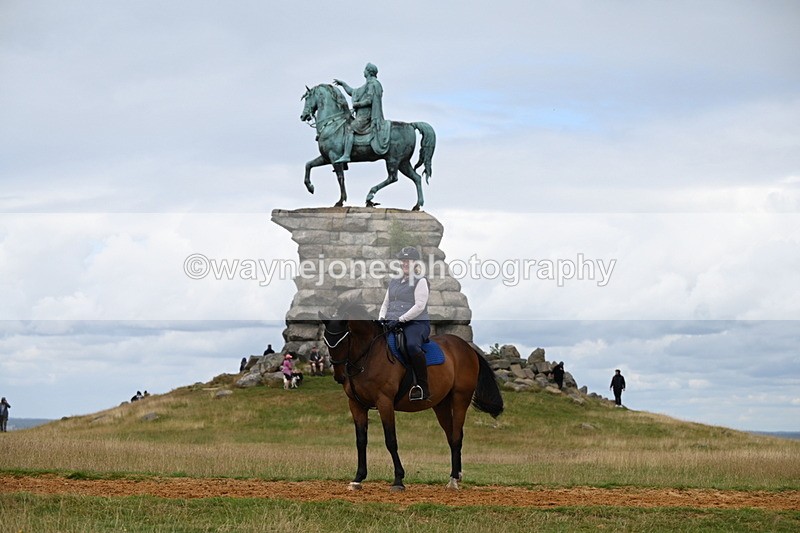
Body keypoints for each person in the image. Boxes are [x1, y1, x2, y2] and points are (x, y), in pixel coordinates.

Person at [379, 246, 431, 401]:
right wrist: (382, 318)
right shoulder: (394, 282)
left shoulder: (420, 281)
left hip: (415, 324)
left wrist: (400, 320)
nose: (405, 264)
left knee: (411, 346)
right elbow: (385, 303)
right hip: (392, 322)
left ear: (415, 263)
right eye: (403, 261)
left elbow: (419, 306)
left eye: (408, 261)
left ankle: (422, 386)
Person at [332, 62, 391, 163]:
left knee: (349, 129)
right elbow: (353, 92)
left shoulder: (373, 84)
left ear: (368, 71)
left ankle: (346, 155)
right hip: (361, 115)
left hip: (366, 117)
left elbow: (369, 100)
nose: (363, 71)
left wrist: (357, 104)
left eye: (365, 70)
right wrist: (343, 84)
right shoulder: (368, 84)